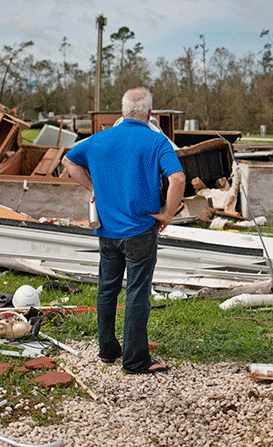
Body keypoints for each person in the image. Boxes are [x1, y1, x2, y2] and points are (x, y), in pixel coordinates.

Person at [63, 87, 185, 374]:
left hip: (107, 230)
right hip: (141, 230)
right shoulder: (157, 141)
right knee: (137, 293)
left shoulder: (98, 139)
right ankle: (135, 360)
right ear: (149, 114)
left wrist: (92, 187)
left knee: (107, 289)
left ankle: (107, 350)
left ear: (122, 111)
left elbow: (69, 161)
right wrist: (167, 214)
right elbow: (177, 179)